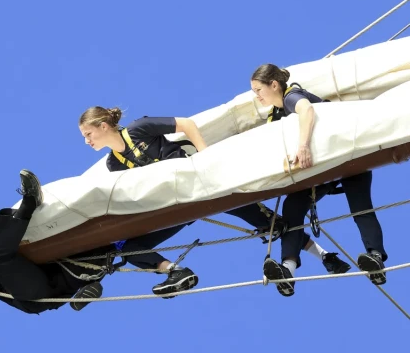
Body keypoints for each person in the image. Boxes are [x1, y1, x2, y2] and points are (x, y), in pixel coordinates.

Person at [78, 107, 344, 292]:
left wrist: (205, 158)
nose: (87, 141)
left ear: (103, 126)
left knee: (270, 222)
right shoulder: (115, 163)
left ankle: (324, 256)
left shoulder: (138, 129)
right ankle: (174, 271)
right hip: (175, 205)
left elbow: (186, 124)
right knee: (128, 247)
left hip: (200, 184)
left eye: (88, 134)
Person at [0, 169, 197, 314]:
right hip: (35, 294)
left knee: (117, 242)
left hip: (67, 274)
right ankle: (28, 204)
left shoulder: (25, 235)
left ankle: (173, 271)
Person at [250, 63, 387, 297]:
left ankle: (375, 258)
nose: (257, 97)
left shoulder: (292, 96)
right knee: (293, 206)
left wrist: (303, 147)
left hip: (347, 157)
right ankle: (287, 270)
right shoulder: (275, 116)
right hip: (323, 170)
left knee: (360, 206)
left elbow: (307, 111)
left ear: (274, 85)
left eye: (258, 90)